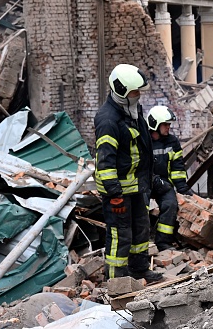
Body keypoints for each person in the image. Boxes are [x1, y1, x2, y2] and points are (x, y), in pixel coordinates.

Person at [94, 63, 162, 283]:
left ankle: (140, 269)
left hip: (136, 186)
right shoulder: (108, 120)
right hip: (119, 190)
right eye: (134, 92)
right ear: (121, 91)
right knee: (120, 234)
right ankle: (116, 279)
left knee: (140, 231)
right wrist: (113, 193)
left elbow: (142, 147)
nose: (138, 95)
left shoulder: (133, 111)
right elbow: (105, 160)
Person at [146, 105, 194, 251]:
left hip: (164, 185)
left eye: (169, 124)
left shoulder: (172, 142)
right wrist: (153, 180)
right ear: (155, 124)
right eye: (165, 124)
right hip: (144, 184)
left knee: (170, 204)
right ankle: (141, 242)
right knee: (141, 209)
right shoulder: (143, 141)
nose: (168, 127)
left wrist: (183, 188)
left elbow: (177, 167)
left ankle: (163, 243)